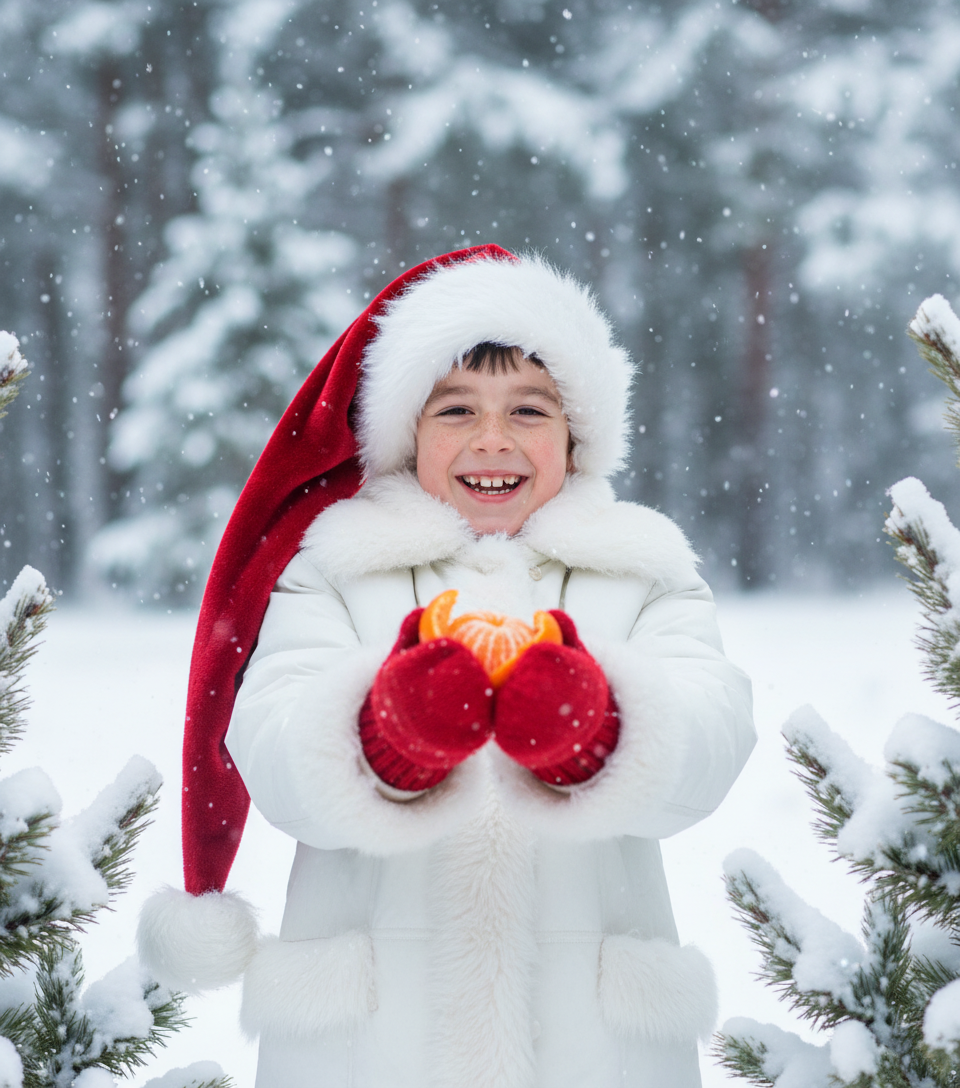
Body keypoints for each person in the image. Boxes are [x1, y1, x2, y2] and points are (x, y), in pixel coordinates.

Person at [139, 245, 756, 1088]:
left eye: (529, 411)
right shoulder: (335, 568)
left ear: (577, 436)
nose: (492, 440)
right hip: (373, 1048)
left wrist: (604, 732)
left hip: (590, 1050)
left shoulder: (641, 569)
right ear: (404, 435)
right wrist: (380, 737)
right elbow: (272, 740)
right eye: (455, 410)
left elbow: (711, 729)